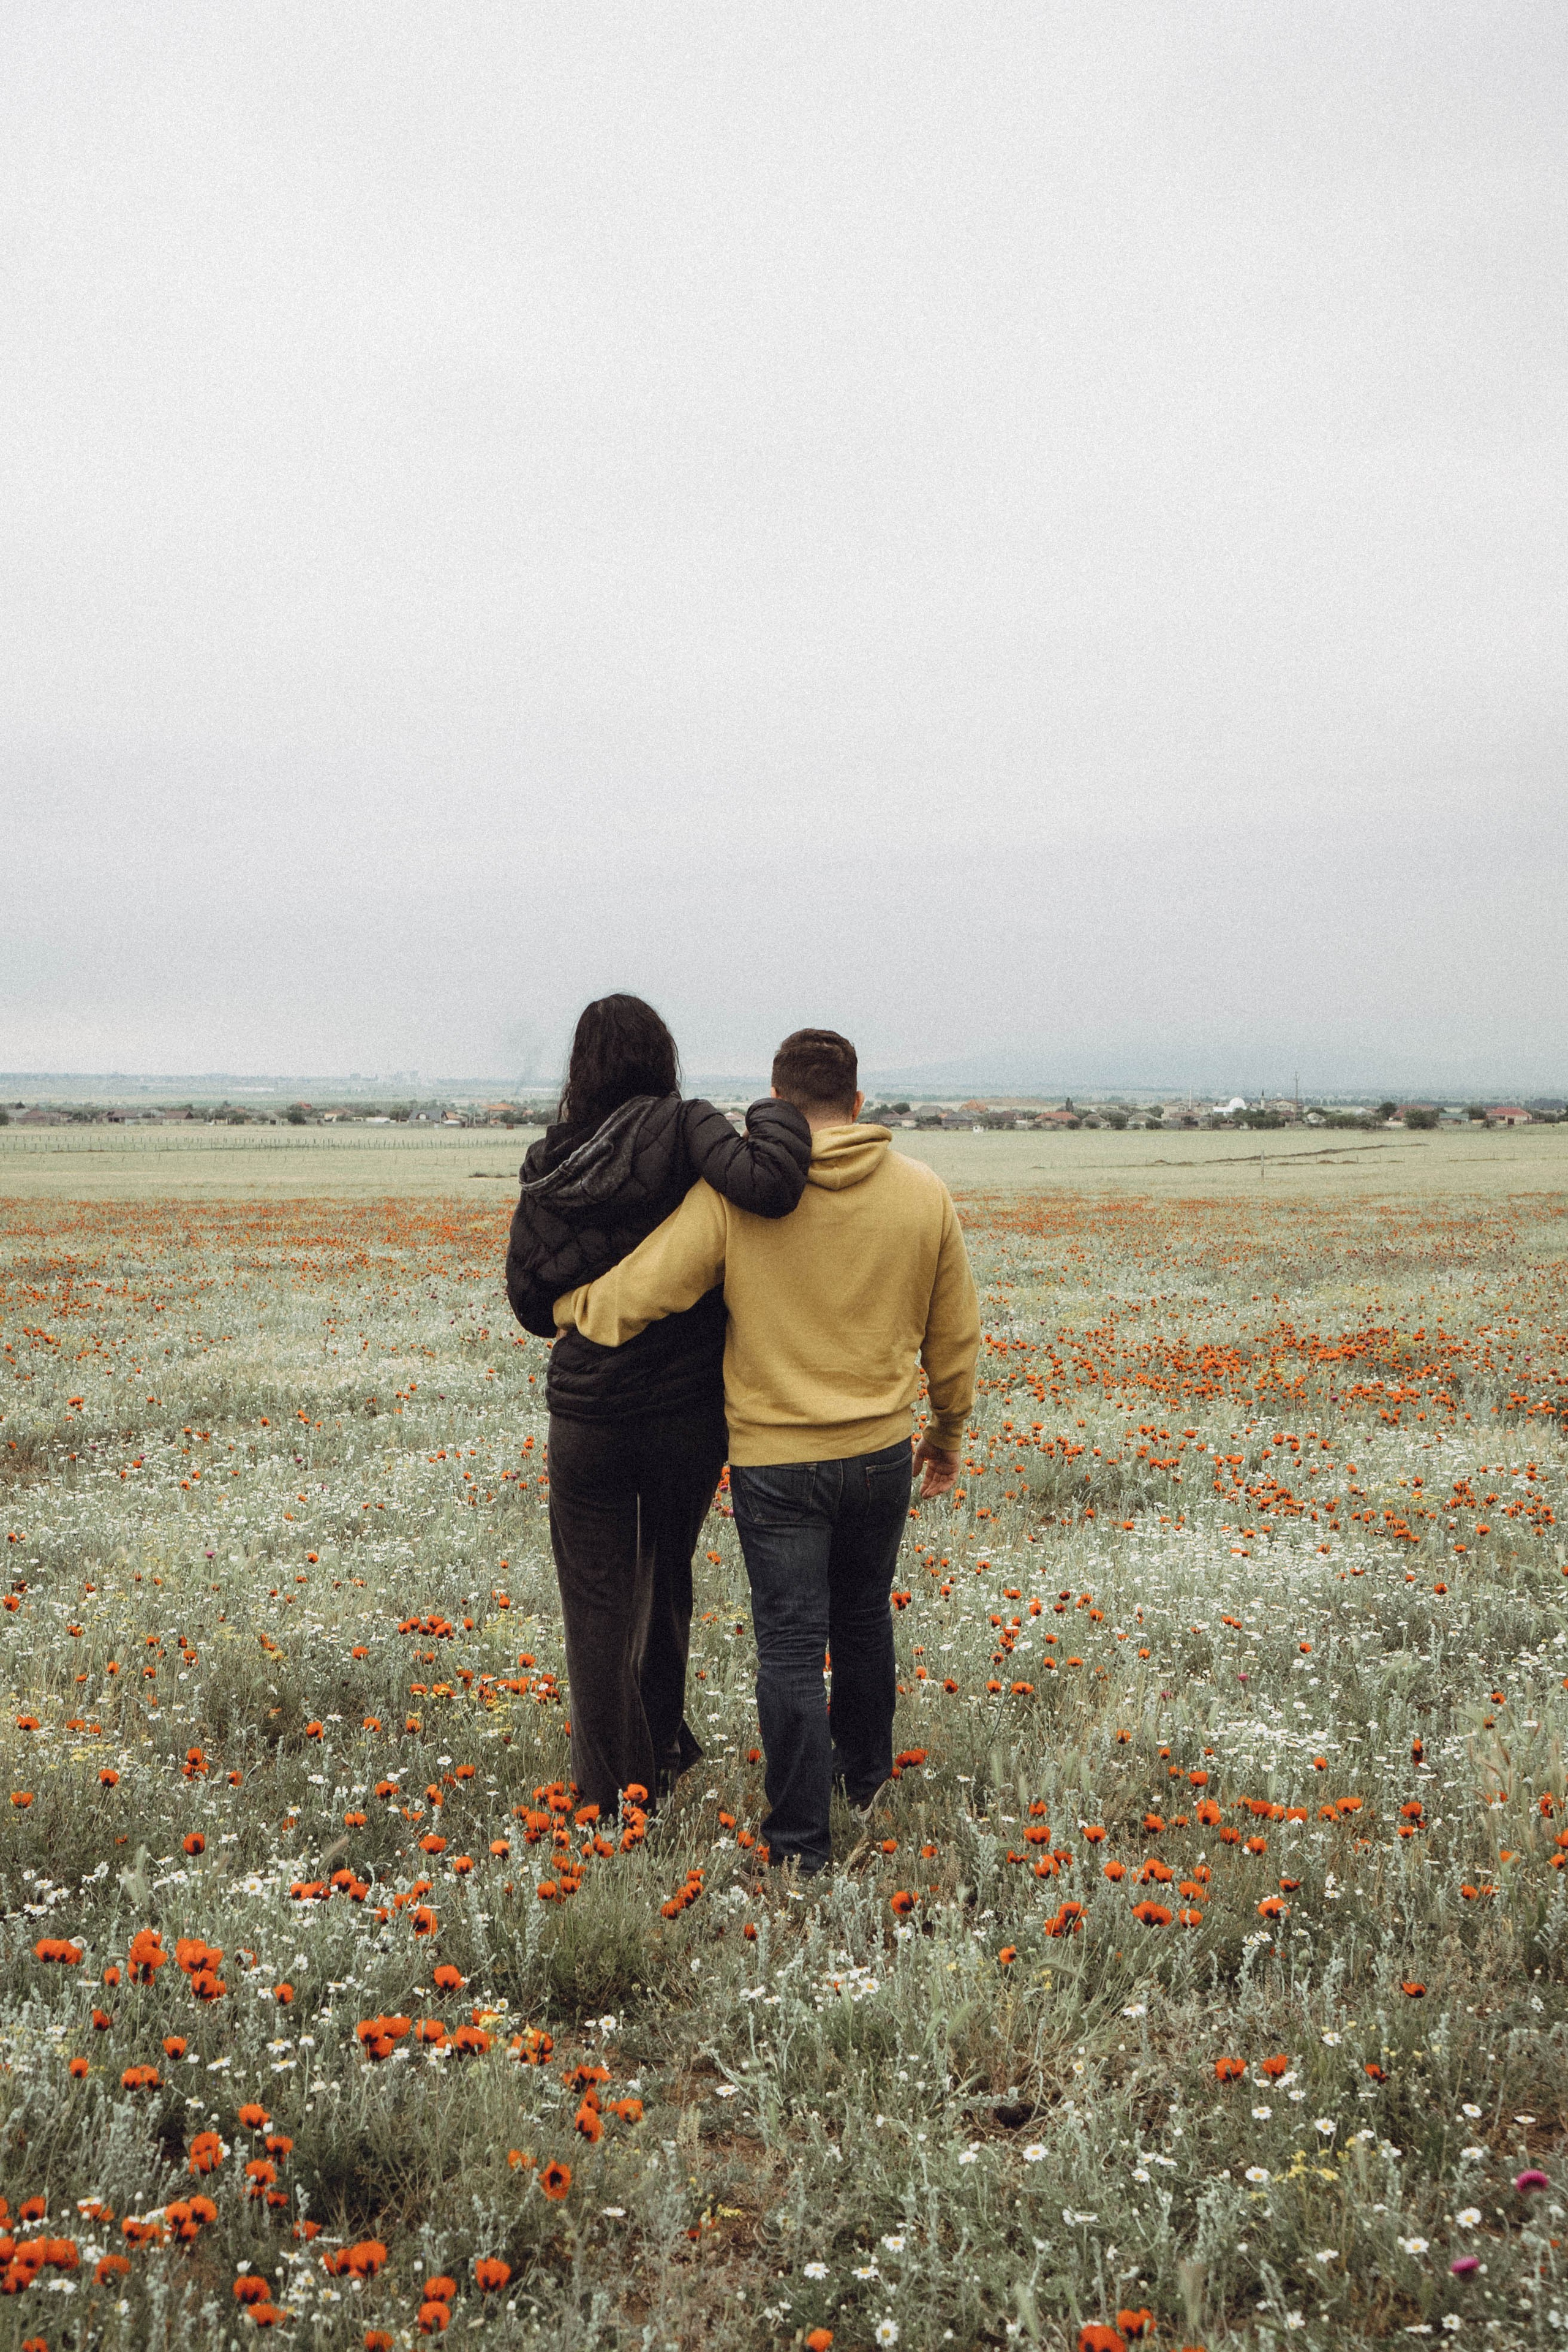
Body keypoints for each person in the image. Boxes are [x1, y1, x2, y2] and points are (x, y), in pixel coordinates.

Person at [554, 1026, 979, 1874]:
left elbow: (647, 1288)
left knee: (789, 1644)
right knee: (864, 1618)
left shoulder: (739, 1197)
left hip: (776, 1460)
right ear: (858, 1102)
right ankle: (864, 1783)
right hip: (880, 1451)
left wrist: (568, 1307)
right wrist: (947, 1433)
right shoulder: (924, 1192)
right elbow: (955, 1332)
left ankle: (799, 1843)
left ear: (778, 1100)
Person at [505, 994, 811, 1816]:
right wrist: (773, 1112)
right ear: (662, 1056)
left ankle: (610, 1793)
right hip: (685, 1412)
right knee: (666, 1574)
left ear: (581, 1068)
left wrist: (586, 1294)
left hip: (588, 1415)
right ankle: (663, 1754)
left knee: (595, 1605)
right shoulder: (686, 1126)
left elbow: (529, 1303)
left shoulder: (551, 1159)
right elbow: (770, 1185)